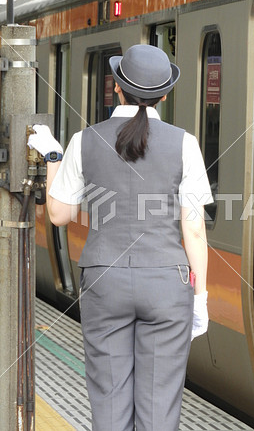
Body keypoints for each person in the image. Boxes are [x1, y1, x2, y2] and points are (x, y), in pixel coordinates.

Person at [28, 44, 213, 431]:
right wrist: (200, 299)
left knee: (109, 403)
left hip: (103, 282)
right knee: (159, 404)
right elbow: (193, 229)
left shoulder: (85, 140)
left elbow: (59, 215)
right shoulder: (185, 143)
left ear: (115, 87)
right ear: (165, 95)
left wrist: (52, 157)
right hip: (166, 284)